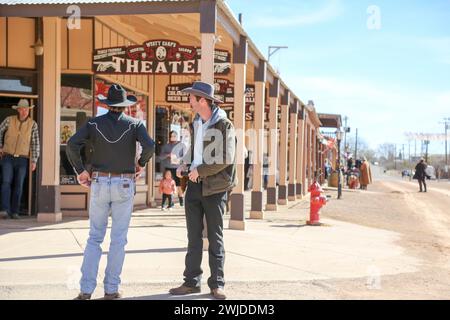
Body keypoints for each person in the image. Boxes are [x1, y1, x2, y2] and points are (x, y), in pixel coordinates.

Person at [66, 84, 155, 300]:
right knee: (118, 239)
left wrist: (80, 172)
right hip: (124, 183)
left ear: (107, 105)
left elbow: (71, 144)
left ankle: (86, 290)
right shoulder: (135, 124)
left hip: (98, 183)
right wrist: (140, 163)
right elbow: (150, 146)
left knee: (94, 237)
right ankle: (111, 289)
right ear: (124, 106)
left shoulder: (94, 123)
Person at [169, 81, 236, 300]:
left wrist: (200, 171)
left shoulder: (224, 125)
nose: (189, 101)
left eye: (192, 98)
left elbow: (226, 158)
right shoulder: (197, 122)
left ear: (203, 100)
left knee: (215, 238)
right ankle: (191, 283)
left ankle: (217, 284)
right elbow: (195, 153)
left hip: (215, 188)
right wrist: (185, 165)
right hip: (195, 187)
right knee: (193, 237)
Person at [0, 99, 40, 220]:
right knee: (6, 183)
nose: (24, 111)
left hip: (23, 159)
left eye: (26, 109)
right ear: (18, 110)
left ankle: (15, 211)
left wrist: (34, 160)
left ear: (29, 110)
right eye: (21, 109)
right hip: (7, 156)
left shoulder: (33, 124)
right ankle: (4, 210)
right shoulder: (9, 120)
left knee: (19, 185)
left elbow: (35, 143)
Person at [159, 130, 185, 206]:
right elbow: (160, 157)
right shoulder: (165, 146)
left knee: (179, 185)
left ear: (177, 137)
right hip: (168, 168)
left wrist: (178, 158)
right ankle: (171, 202)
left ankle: (181, 202)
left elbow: (185, 157)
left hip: (178, 168)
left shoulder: (181, 146)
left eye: (174, 136)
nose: (173, 137)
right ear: (169, 137)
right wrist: (167, 155)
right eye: (172, 136)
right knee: (168, 185)